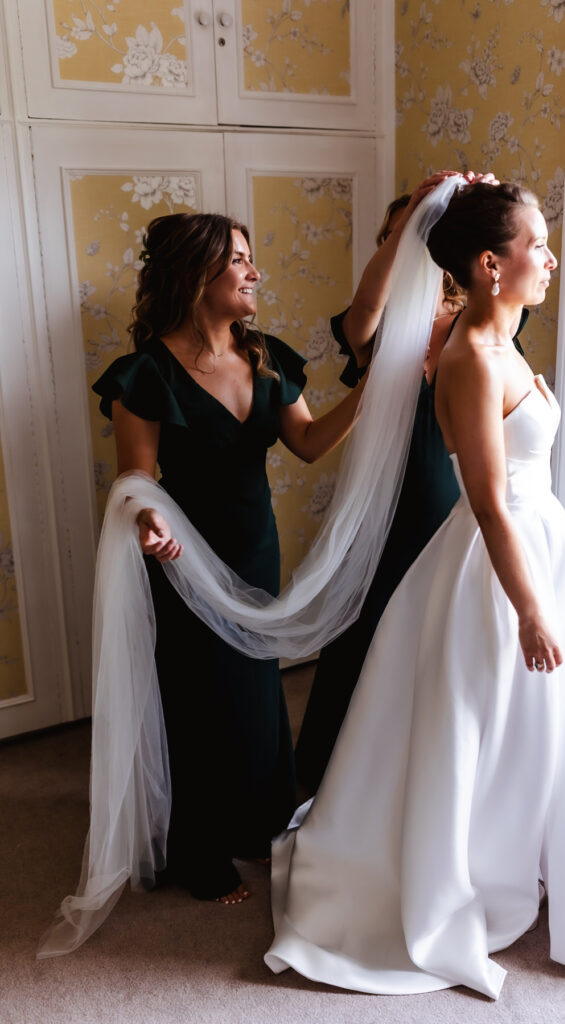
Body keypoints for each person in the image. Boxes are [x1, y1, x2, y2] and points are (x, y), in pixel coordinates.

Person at [265, 181, 565, 998]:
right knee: (480, 717)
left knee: (548, 722)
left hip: (542, 544)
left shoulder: (498, 331)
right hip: (500, 560)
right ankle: (463, 871)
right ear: (492, 266)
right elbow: (488, 501)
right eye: (537, 242)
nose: (551, 256)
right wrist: (529, 609)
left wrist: (479, 197)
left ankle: (538, 856)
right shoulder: (465, 358)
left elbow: (480, 266)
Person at [91, 212, 367, 907]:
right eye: (238, 260)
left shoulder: (267, 355)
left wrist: (375, 392)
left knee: (251, 686)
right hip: (183, 556)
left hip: (254, 549)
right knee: (195, 697)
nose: (254, 271)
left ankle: (255, 821)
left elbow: (307, 442)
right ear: (195, 273)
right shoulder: (145, 373)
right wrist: (152, 523)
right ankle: (196, 847)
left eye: (250, 257)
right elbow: (135, 478)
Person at [295, 172, 529, 793]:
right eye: (401, 234)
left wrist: (487, 193)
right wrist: (409, 221)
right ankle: (334, 785)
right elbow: (362, 313)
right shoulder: (382, 328)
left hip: (455, 500)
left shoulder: (478, 324)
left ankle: (430, 788)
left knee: (440, 646)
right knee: (365, 639)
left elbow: (510, 251)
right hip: (391, 506)